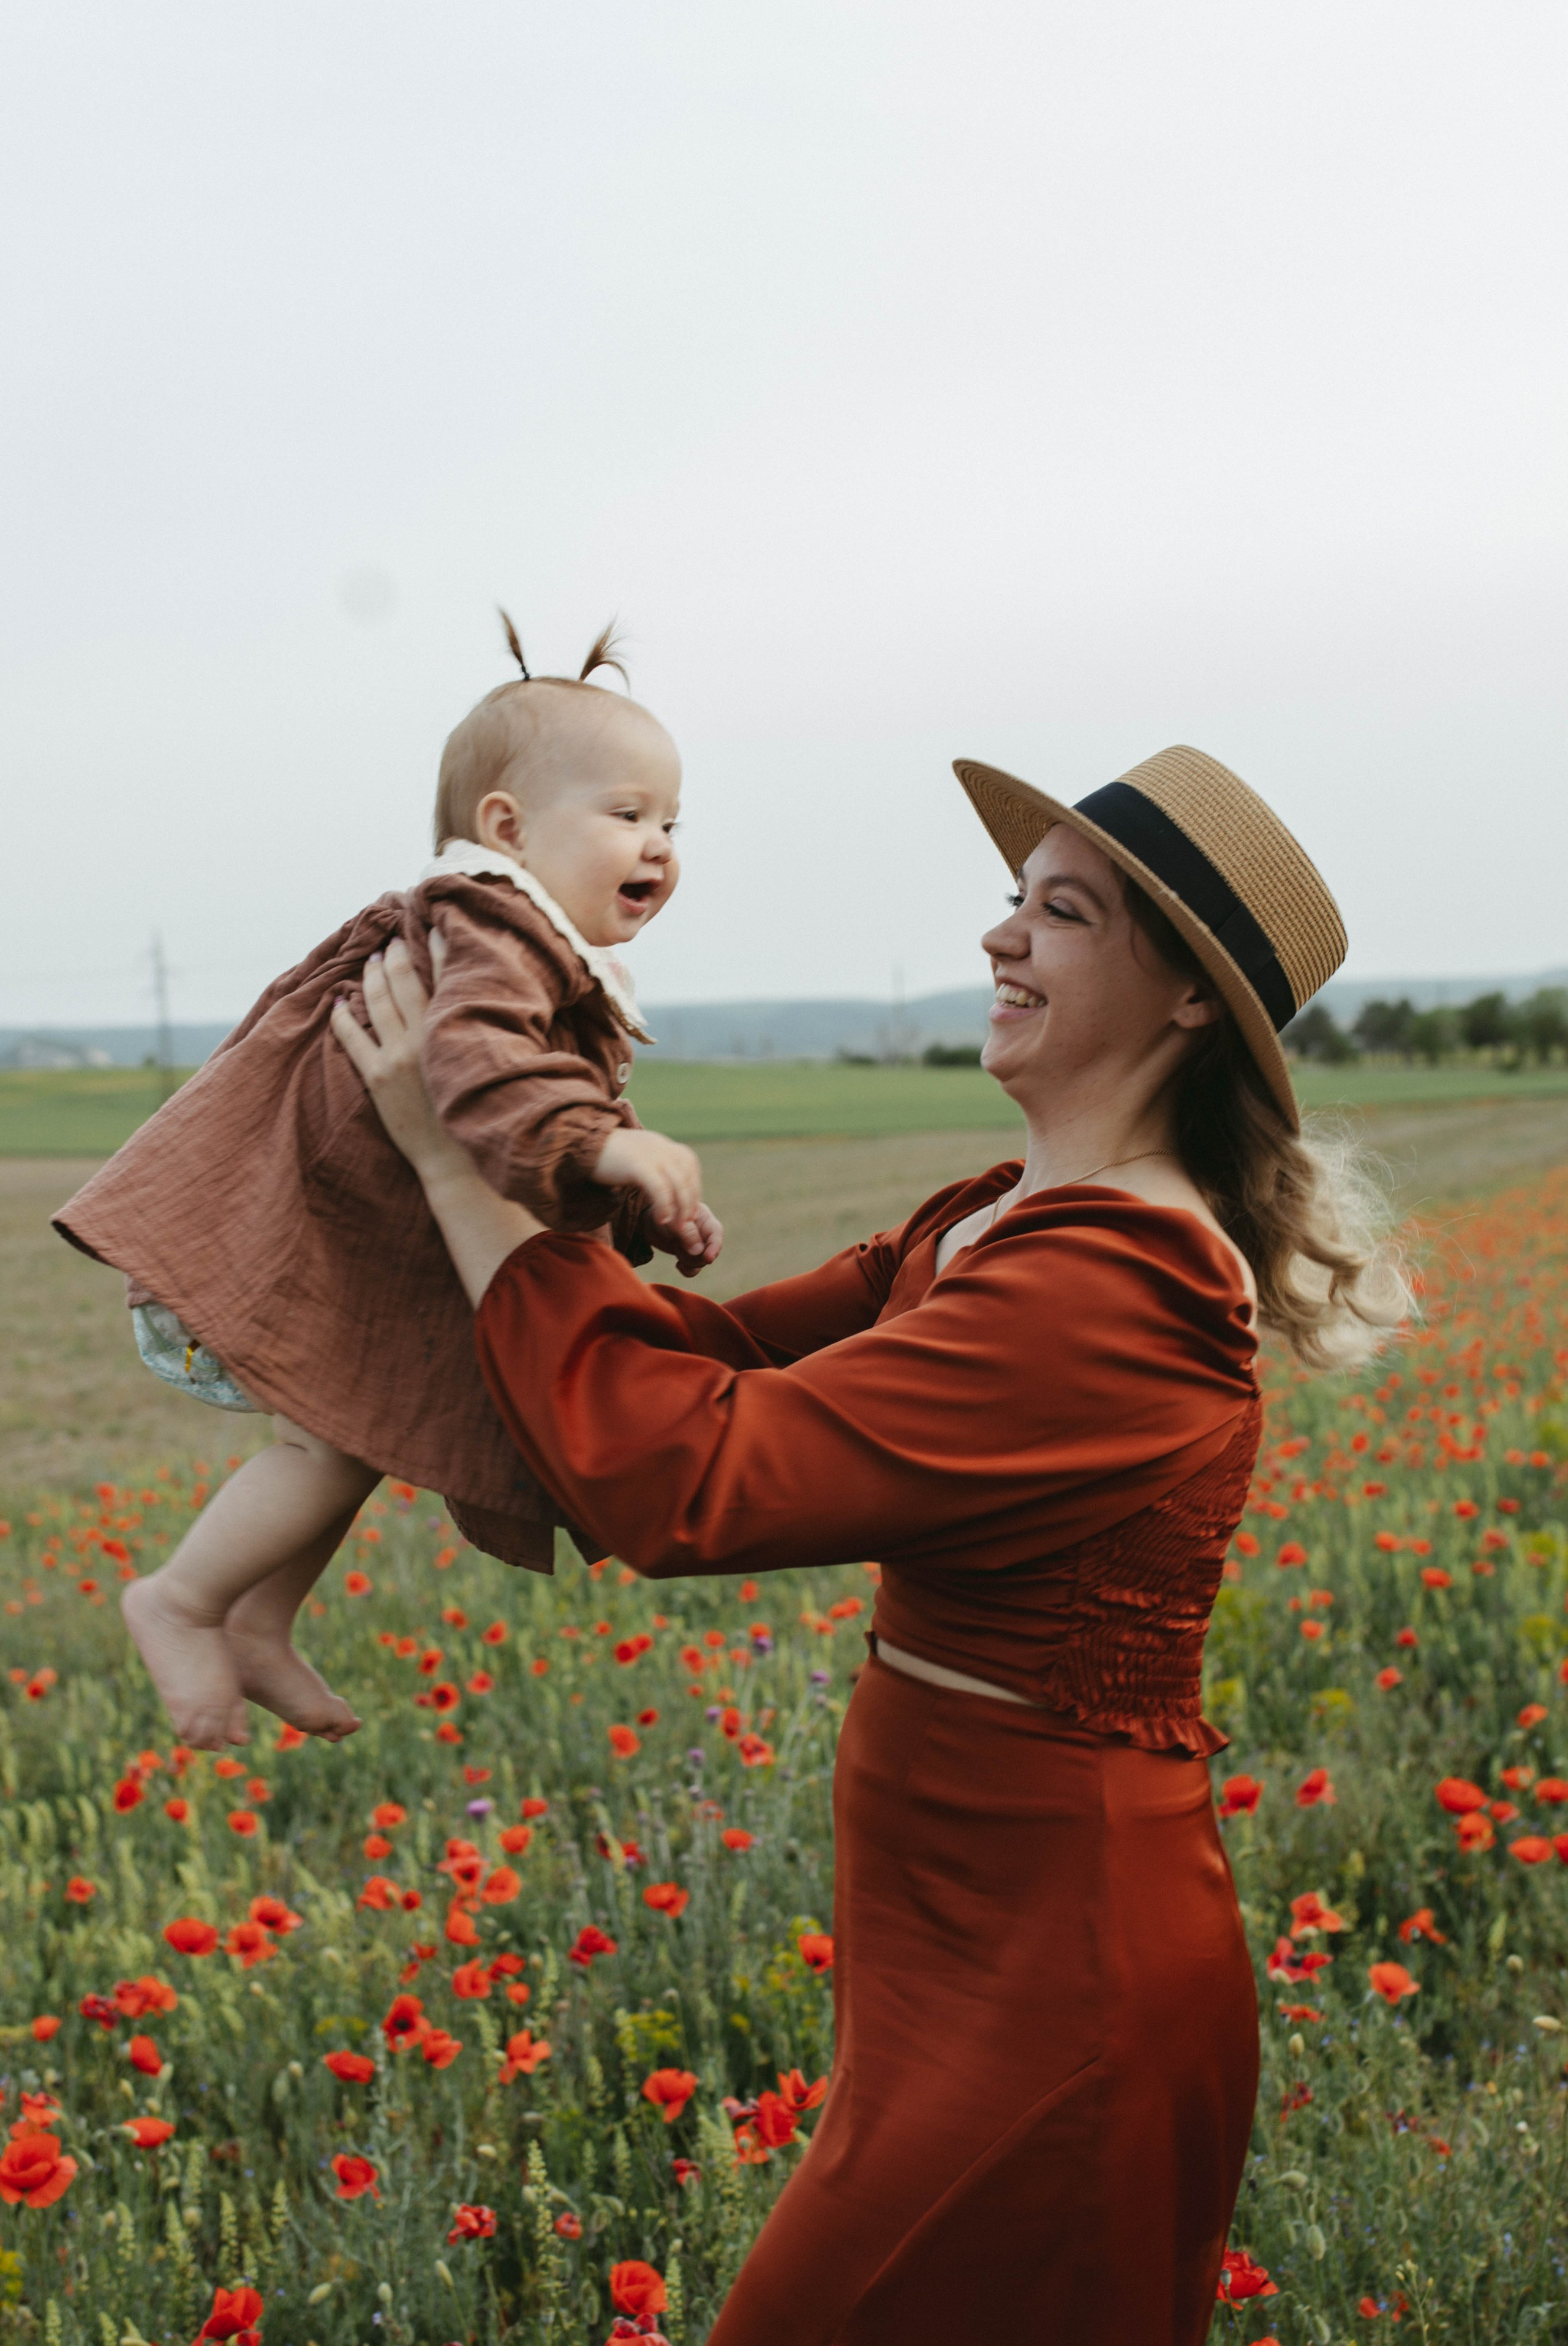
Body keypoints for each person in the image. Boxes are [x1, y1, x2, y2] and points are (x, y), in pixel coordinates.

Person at [333, 743, 1408, 2345]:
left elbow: (679, 1476)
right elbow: (701, 1360)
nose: (999, 940)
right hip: (955, 1913)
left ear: (1187, 1000)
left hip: (1065, 1951)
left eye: (1060, 915)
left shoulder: (1120, 1289)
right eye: (1011, 902)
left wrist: (456, 1166)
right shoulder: (993, 1218)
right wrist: (531, 1144)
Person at [52, 619, 721, 1754]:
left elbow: (546, 1076)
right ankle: (179, 1597)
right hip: (350, 1215)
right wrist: (604, 1151)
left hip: (376, 1211)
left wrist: (638, 1192)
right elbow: (479, 1063)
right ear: (507, 829)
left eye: (671, 821)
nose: (658, 843)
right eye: (627, 814)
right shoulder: (495, 919)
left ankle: (258, 1615)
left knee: (350, 1433)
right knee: (325, 1441)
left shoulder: (521, 934)